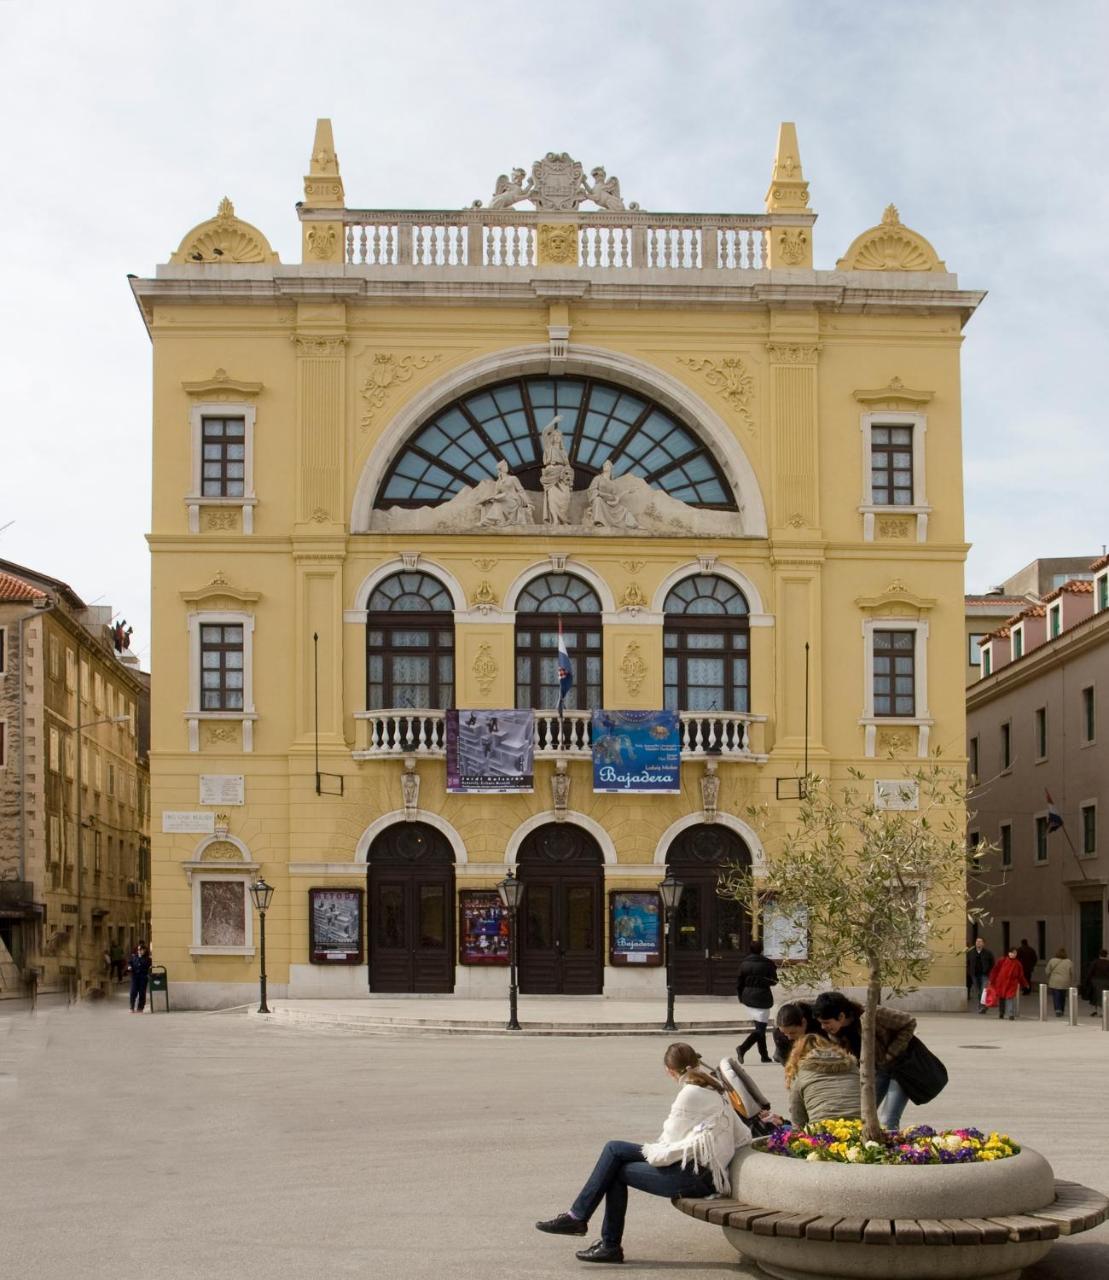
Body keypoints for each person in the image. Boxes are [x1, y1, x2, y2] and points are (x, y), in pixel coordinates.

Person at [535, 1042, 746, 1265]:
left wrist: (650, 1153)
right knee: (614, 1149)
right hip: (701, 1169)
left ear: (669, 1070)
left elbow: (667, 1147)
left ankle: (595, 1234)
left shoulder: (689, 1095)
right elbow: (741, 1135)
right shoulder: (712, 1087)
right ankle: (586, 1226)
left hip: (695, 1177)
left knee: (615, 1167)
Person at [812, 991, 917, 1129]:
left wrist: (891, 1053)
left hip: (902, 1069)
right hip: (877, 1071)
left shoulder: (872, 1014)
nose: (823, 1027)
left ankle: (890, 1148)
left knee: (888, 1119)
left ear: (841, 1016)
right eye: (821, 1023)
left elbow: (909, 1022)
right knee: (860, 1114)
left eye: (826, 1022)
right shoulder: (836, 1033)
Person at [785, 1034, 862, 1129]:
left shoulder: (801, 1073)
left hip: (823, 1132)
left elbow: (798, 1120)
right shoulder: (852, 1067)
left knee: (784, 1129)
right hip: (860, 1126)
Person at [735, 940, 778, 1064]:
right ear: (762, 950)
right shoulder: (768, 964)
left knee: (760, 1028)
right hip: (762, 997)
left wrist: (741, 997)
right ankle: (742, 1048)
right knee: (760, 1029)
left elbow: (739, 982)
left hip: (747, 997)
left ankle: (764, 1056)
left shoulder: (744, 963)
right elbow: (774, 981)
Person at [988, 947, 1025, 1021]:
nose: (1013, 954)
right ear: (1008, 953)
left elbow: (1020, 975)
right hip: (1001, 983)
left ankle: (1011, 1014)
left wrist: (1024, 984)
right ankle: (1001, 1012)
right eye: (1012, 953)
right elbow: (995, 970)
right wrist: (992, 980)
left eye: (1015, 953)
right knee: (1001, 998)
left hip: (1011, 984)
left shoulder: (1018, 964)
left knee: (1009, 998)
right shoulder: (1002, 960)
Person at [1044, 947, 1074, 1018]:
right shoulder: (1069, 961)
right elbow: (1071, 972)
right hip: (1065, 981)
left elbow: (1047, 971)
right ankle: (1062, 1010)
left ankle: (1058, 1010)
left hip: (1055, 981)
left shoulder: (1052, 960)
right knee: (1063, 997)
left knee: (1056, 996)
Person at [968, 937, 995, 1012]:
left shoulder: (988, 953)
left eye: (980, 941)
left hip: (984, 974)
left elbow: (992, 964)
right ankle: (981, 1006)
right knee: (978, 991)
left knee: (984, 990)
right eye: (977, 941)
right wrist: (970, 972)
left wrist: (990, 973)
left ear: (983, 943)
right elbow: (968, 963)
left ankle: (983, 1006)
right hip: (974, 975)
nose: (978, 943)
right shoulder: (970, 952)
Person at [129, 941, 152, 1013]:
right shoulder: (134, 957)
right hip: (135, 977)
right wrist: (129, 966)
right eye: (138, 950)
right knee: (133, 992)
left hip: (143, 977)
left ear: (144, 950)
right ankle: (132, 1007)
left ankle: (140, 1007)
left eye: (141, 950)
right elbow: (130, 963)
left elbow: (148, 966)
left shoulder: (148, 959)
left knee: (142, 993)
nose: (139, 951)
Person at [1084, 949, 1109, 1016]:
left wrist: (1086, 981)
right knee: (1104, 996)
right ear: (1107, 955)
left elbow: (1090, 972)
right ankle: (1103, 1011)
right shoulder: (1108, 963)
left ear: (1099, 955)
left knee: (1095, 996)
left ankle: (1096, 1010)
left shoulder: (1095, 962)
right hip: (1106, 981)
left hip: (1096, 980)